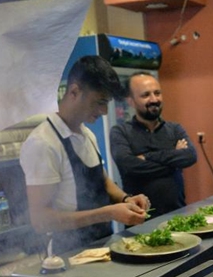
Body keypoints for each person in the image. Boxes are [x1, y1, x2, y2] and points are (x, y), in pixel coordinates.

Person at [20, 56, 149, 254]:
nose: (104, 111)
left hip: (101, 246)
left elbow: (102, 181)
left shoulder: (86, 134)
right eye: (99, 102)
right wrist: (107, 213)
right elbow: (40, 220)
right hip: (68, 255)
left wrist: (126, 200)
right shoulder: (43, 143)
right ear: (74, 91)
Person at [110, 72, 197, 217]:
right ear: (130, 101)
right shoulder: (120, 132)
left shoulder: (175, 129)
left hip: (178, 216)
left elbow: (190, 156)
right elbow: (129, 166)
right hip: (140, 219)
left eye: (157, 93)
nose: (154, 99)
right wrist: (173, 162)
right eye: (145, 95)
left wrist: (147, 157)